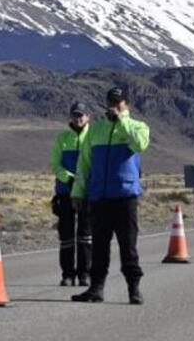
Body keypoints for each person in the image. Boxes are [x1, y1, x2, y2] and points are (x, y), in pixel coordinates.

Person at [70, 86, 150, 305]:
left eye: (119, 102)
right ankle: (96, 289)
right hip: (100, 198)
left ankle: (134, 289)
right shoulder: (95, 131)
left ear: (127, 105)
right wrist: (78, 191)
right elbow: (84, 164)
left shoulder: (137, 127)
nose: (114, 105)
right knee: (99, 247)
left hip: (125, 196)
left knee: (128, 246)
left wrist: (121, 120)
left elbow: (140, 144)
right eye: (111, 102)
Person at [50, 101, 92, 286]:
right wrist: (68, 177)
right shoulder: (62, 138)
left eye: (81, 115)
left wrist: (84, 180)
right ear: (71, 117)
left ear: (87, 116)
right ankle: (67, 274)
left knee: (86, 234)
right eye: (75, 115)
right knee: (66, 235)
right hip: (65, 192)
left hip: (87, 192)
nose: (78, 118)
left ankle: (85, 274)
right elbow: (55, 164)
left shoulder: (93, 137)